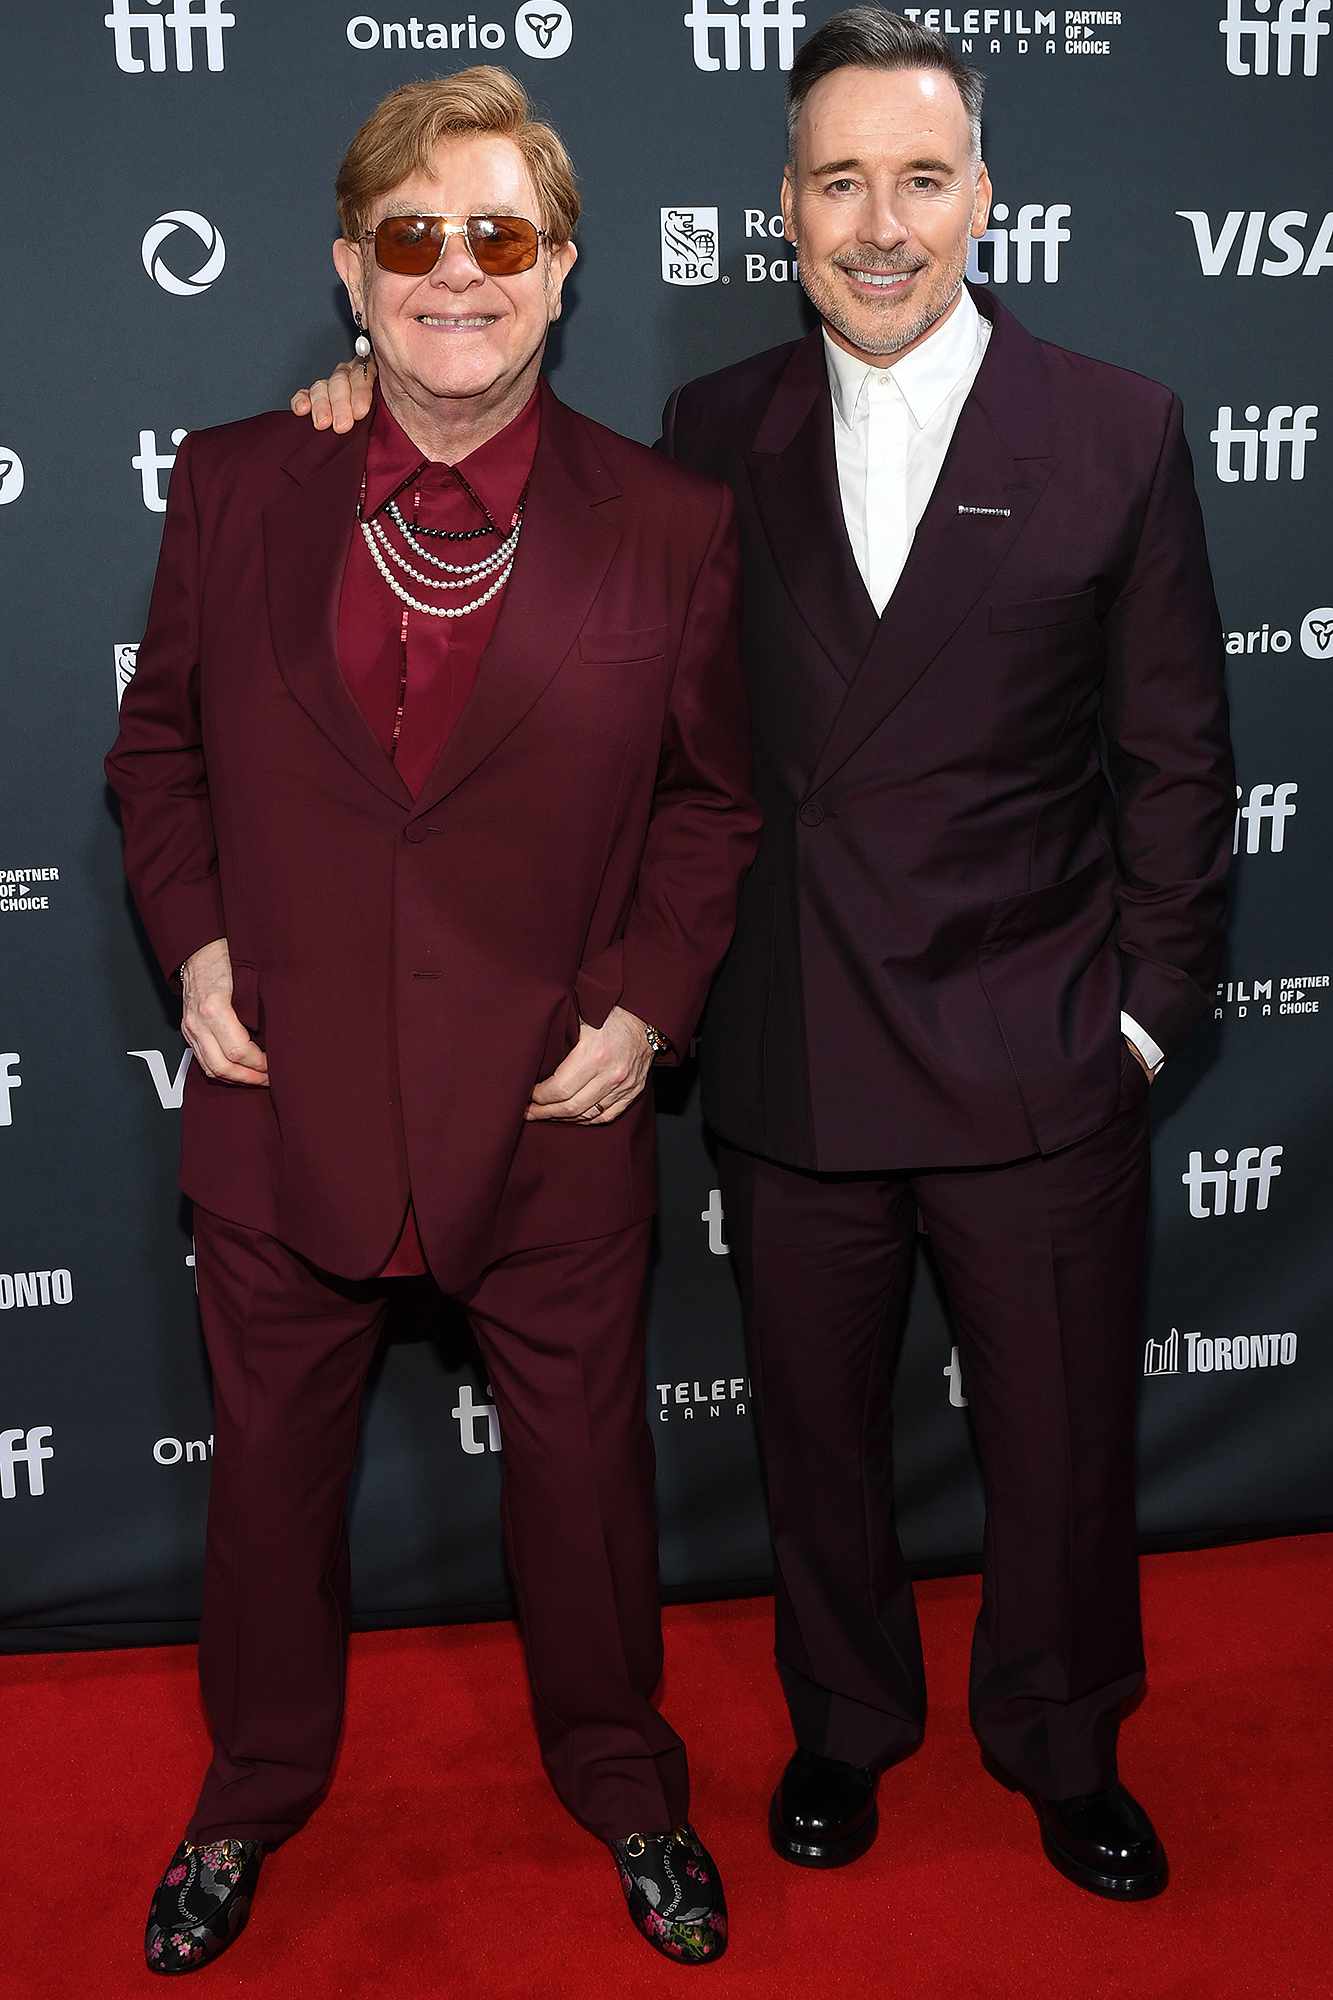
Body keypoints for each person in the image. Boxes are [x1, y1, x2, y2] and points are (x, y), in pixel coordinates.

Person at [292, 8, 1235, 1909]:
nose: (877, 223)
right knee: (814, 1441)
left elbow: (1179, 762)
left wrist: (1135, 1031)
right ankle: (845, 1725)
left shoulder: (1115, 424)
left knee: (1059, 1454)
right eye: (836, 182)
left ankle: (1061, 1744)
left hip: (1038, 1059)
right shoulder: (709, 435)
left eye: (917, 177)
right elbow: (569, 620)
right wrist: (350, 412)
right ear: (782, 210)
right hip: (798, 1058)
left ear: (984, 196)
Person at [109, 66, 757, 1977]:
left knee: (583, 1495)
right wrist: (201, 948)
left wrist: (645, 1008)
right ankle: (247, 1797)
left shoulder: (669, 525)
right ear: (347, 270)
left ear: (559, 271)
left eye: (497, 236)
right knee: (267, 1504)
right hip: (280, 1091)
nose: (451, 273)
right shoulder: (238, 481)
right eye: (412, 237)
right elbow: (156, 755)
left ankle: (627, 1784)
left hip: (552, 1112)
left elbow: (715, 802)